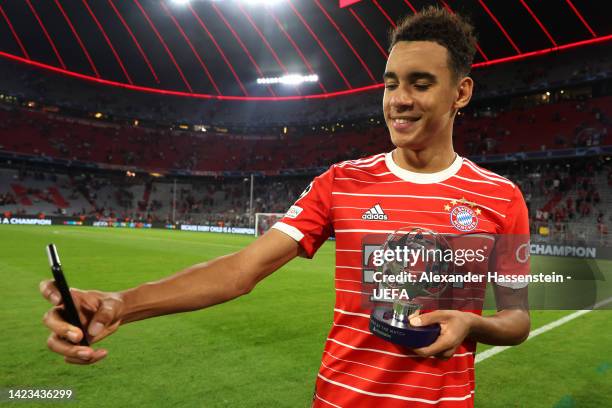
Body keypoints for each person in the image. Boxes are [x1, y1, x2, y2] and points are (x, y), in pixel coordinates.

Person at [40, 7, 530, 407]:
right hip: (339, 400)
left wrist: (474, 323)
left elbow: (517, 319)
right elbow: (239, 270)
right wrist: (122, 303)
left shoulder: (502, 197)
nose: (398, 100)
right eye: (390, 83)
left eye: (420, 84)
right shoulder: (341, 182)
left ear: (460, 92)